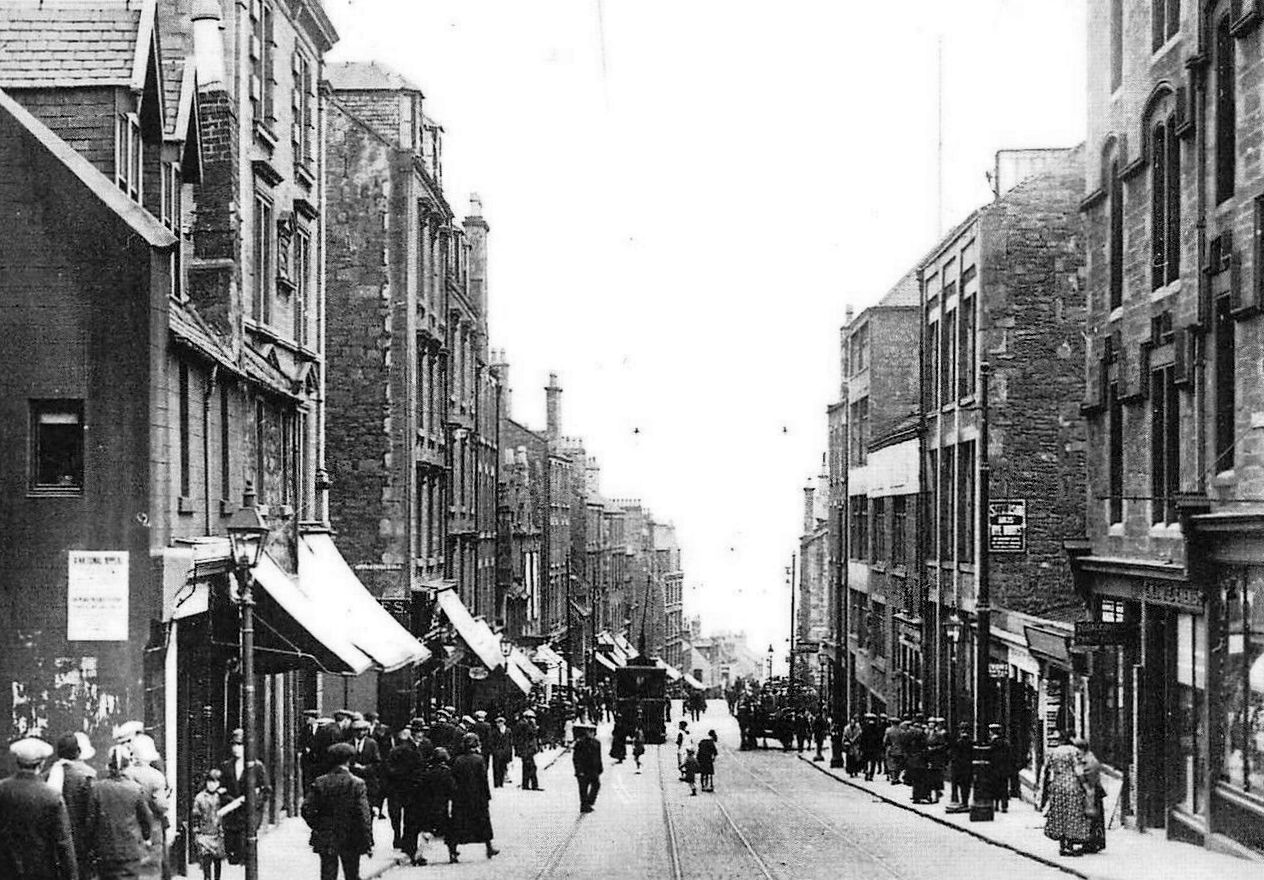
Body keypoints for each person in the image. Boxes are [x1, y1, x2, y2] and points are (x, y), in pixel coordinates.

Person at [0, 737, 78, 880]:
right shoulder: (52, 797)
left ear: (17, 761)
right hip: (42, 872)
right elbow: (64, 843)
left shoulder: (2, 789)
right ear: (41, 763)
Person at [301, 742, 373, 880]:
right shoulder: (357, 783)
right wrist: (368, 841)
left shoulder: (321, 782)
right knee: (352, 874)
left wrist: (318, 826)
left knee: (328, 875)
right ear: (349, 760)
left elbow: (306, 809)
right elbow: (364, 815)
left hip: (327, 836)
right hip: (351, 836)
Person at [89, 746, 156, 880]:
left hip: (105, 852)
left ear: (109, 767)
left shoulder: (97, 788)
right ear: (127, 766)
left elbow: (90, 821)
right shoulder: (136, 789)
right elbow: (147, 818)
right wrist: (147, 837)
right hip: (129, 853)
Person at [218, 728, 272, 866]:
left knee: (246, 851)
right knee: (232, 854)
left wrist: (254, 803)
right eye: (234, 745)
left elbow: (266, 790)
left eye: (240, 745)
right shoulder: (226, 766)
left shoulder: (257, 767)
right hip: (231, 816)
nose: (236, 748)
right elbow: (220, 789)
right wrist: (229, 800)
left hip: (249, 815)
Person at [47, 732, 95, 877]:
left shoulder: (47, 776)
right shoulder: (86, 778)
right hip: (79, 841)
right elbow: (91, 814)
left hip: (53, 841)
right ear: (78, 752)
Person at [1039, 730, 1092, 857]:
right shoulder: (1074, 751)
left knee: (1059, 814)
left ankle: (1062, 845)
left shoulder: (1053, 752)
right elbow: (1078, 770)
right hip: (1072, 785)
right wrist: (1085, 785)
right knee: (1072, 814)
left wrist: (1044, 789)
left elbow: (1046, 770)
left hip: (1057, 785)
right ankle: (1070, 844)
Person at [123, 733, 169, 880]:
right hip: (152, 828)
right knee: (151, 871)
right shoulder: (156, 777)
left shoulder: (125, 773)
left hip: (129, 827)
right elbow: (161, 806)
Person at [448, 734, 498, 863]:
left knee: (457, 824)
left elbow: (453, 778)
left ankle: (453, 852)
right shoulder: (479, 760)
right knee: (483, 823)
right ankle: (489, 847)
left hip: (461, 798)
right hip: (477, 797)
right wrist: (487, 796)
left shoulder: (458, 760)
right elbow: (483, 779)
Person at [403, 747, 453, 867]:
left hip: (428, 806)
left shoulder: (427, 772)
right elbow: (453, 788)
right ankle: (453, 853)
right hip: (442, 806)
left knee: (428, 831)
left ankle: (418, 855)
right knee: (450, 831)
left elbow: (421, 788)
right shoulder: (446, 772)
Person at [381, 730, 420, 850]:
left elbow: (387, 769)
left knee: (395, 814)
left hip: (395, 788)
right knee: (409, 814)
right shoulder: (414, 752)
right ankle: (406, 839)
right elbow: (419, 769)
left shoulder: (393, 752)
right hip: (409, 788)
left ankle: (397, 836)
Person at [191, 769, 226, 880]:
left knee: (217, 861)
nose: (212, 785)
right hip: (205, 834)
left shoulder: (221, 797)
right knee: (206, 862)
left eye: (215, 782)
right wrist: (197, 833)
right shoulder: (200, 797)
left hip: (218, 834)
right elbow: (195, 816)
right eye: (210, 782)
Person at [1073, 738, 1107, 853]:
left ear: (1082, 749)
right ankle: (1091, 842)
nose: (1076, 754)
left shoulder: (1090, 761)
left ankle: (1092, 843)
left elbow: (1090, 779)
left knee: (1092, 819)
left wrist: (1081, 778)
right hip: (1090, 792)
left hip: (1092, 792)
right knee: (1091, 818)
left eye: (1077, 751)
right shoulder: (1085, 759)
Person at [347, 720, 381, 821]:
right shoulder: (349, 744)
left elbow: (377, 762)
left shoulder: (372, 744)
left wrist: (365, 768)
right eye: (357, 731)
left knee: (368, 812)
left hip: (368, 782)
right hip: (353, 781)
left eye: (363, 730)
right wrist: (354, 767)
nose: (360, 733)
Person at [572, 723, 603, 813]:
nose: (591, 733)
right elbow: (576, 758)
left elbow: (599, 756)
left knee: (596, 785)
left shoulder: (597, 743)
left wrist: (600, 767)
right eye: (589, 731)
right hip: (583, 770)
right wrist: (578, 770)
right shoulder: (580, 743)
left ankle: (589, 802)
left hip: (593, 769)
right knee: (583, 789)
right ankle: (584, 805)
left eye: (593, 732)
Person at [985, 723, 1013, 813]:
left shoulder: (992, 743)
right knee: (1004, 787)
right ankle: (1004, 806)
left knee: (995, 787)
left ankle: (996, 805)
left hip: (994, 770)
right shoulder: (1005, 743)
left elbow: (989, 757)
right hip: (1004, 770)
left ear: (992, 732)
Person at [513, 711, 541, 791]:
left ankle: (526, 784)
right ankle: (533, 785)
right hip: (526, 749)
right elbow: (532, 733)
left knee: (527, 767)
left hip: (525, 749)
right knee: (531, 767)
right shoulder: (525, 724)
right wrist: (535, 726)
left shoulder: (521, 723)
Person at [948, 723, 974, 807]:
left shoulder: (957, 742)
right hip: (968, 767)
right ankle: (964, 802)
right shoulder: (971, 742)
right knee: (966, 785)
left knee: (957, 784)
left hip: (958, 767)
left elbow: (953, 755)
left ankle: (957, 801)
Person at [925, 719, 949, 804]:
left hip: (936, 758)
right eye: (929, 723)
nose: (930, 725)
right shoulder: (926, 734)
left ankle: (936, 796)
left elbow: (943, 746)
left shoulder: (939, 735)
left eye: (932, 724)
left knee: (936, 778)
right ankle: (928, 796)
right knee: (928, 778)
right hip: (927, 758)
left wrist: (933, 749)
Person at [486, 716, 513, 789]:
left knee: (503, 767)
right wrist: (493, 750)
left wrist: (510, 754)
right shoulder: (494, 731)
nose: (499, 724)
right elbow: (491, 742)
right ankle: (496, 783)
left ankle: (501, 782)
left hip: (505, 752)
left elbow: (510, 743)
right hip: (497, 752)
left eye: (500, 722)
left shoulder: (508, 731)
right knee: (496, 767)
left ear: (503, 723)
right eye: (498, 723)